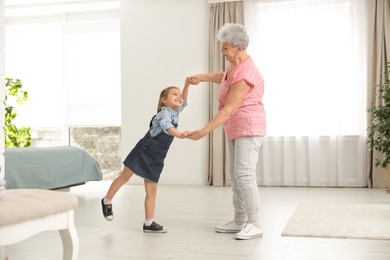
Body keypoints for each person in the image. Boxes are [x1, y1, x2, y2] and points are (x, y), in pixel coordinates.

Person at [187, 23, 266, 240]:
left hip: (248, 125)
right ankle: (240, 219)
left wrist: (203, 131)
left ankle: (255, 222)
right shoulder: (235, 66)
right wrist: (202, 77)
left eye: (226, 49)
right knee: (235, 173)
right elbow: (224, 76)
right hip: (235, 126)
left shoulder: (245, 74)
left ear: (239, 48)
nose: (223, 52)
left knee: (244, 173)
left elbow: (229, 109)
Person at [101, 80, 191, 233]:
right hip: (144, 150)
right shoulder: (164, 114)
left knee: (152, 190)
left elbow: (184, 103)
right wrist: (180, 135)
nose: (179, 97)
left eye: (180, 95)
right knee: (124, 177)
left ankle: (149, 223)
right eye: (175, 94)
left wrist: (187, 86)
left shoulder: (175, 112)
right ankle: (107, 200)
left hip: (157, 156)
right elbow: (168, 127)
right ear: (164, 100)